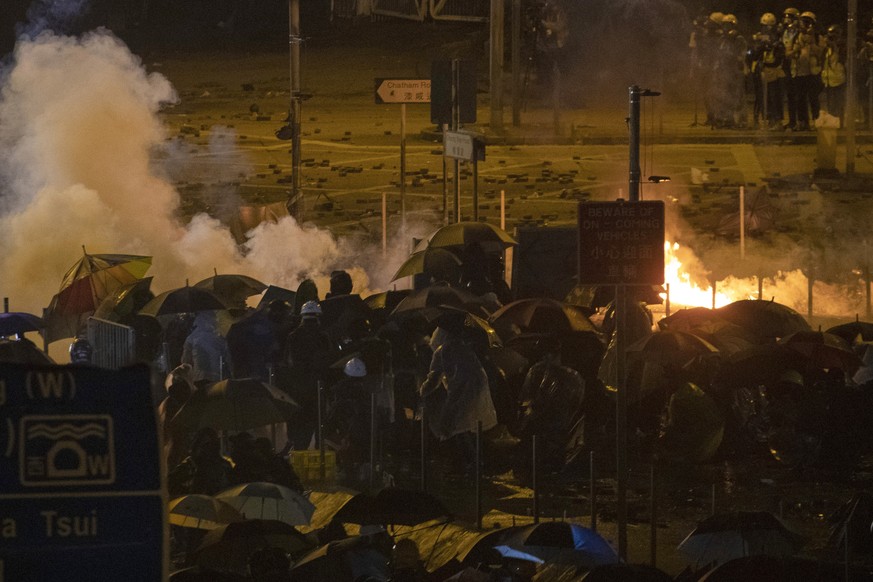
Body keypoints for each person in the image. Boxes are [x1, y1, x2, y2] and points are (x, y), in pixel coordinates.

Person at [418, 321, 497, 474]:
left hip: (461, 390)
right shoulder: (463, 347)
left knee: (457, 425)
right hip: (476, 388)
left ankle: (470, 462)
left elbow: (434, 378)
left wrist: (421, 391)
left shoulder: (441, 351)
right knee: (468, 425)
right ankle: (474, 461)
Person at [283, 300, 334, 449]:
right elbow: (329, 361)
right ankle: (320, 454)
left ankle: (298, 453)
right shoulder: (323, 337)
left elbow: (287, 361)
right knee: (319, 424)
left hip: (297, 389)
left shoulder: (293, 336)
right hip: (318, 388)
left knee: (299, 426)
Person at [181, 311, 229, 385]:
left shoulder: (191, 338)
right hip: (217, 378)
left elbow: (186, 361)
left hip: (198, 378)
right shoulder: (218, 338)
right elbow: (227, 359)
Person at [821, 24, 847, 124]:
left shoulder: (842, 47)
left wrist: (834, 45)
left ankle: (839, 123)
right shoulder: (827, 48)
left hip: (839, 79)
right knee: (830, 104)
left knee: (838, 103)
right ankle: (833, 123)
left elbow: (841, 58)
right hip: (828, 79)